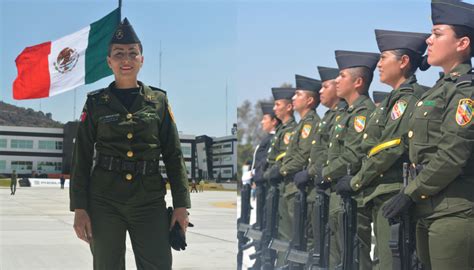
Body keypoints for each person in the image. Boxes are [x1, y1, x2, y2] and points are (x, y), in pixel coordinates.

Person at [69, 18, 191, 270]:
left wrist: (181, 206)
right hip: (104, 200)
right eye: (119, 54)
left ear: (141, 60)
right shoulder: (95, 103)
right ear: (109, 62)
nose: (126, 59)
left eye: (132, 53)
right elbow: (81, 156)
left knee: (158, 264)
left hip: (149, 200)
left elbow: (173, 154)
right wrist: (79, 208)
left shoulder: (157, 101)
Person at [383, 1, 474, 269]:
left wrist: (410, 193)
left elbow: (453, 153)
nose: (428, 40)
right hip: (426, 207)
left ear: (462, 43)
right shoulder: (439, 89)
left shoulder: (465, 91)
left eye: (437, 33)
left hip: (453, 211)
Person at [334, 29, 430, 269]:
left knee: (390, 263)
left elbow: (389, 149)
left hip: (394, 192)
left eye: (384, 57)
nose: (378, 64)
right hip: (379, 192)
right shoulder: (388, 102)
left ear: (404, 62)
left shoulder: (409, 99)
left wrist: (356, 181)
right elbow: (368, 146)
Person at [321, 50, 379, 269]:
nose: (336, 79)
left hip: (353, 197)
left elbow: (354, 155)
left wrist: (325, 172)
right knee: (339, 260)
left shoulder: (363, 113)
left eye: (342, 75)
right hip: (339, 194)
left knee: (355, 259)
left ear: (358, 82)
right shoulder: (347, 114)